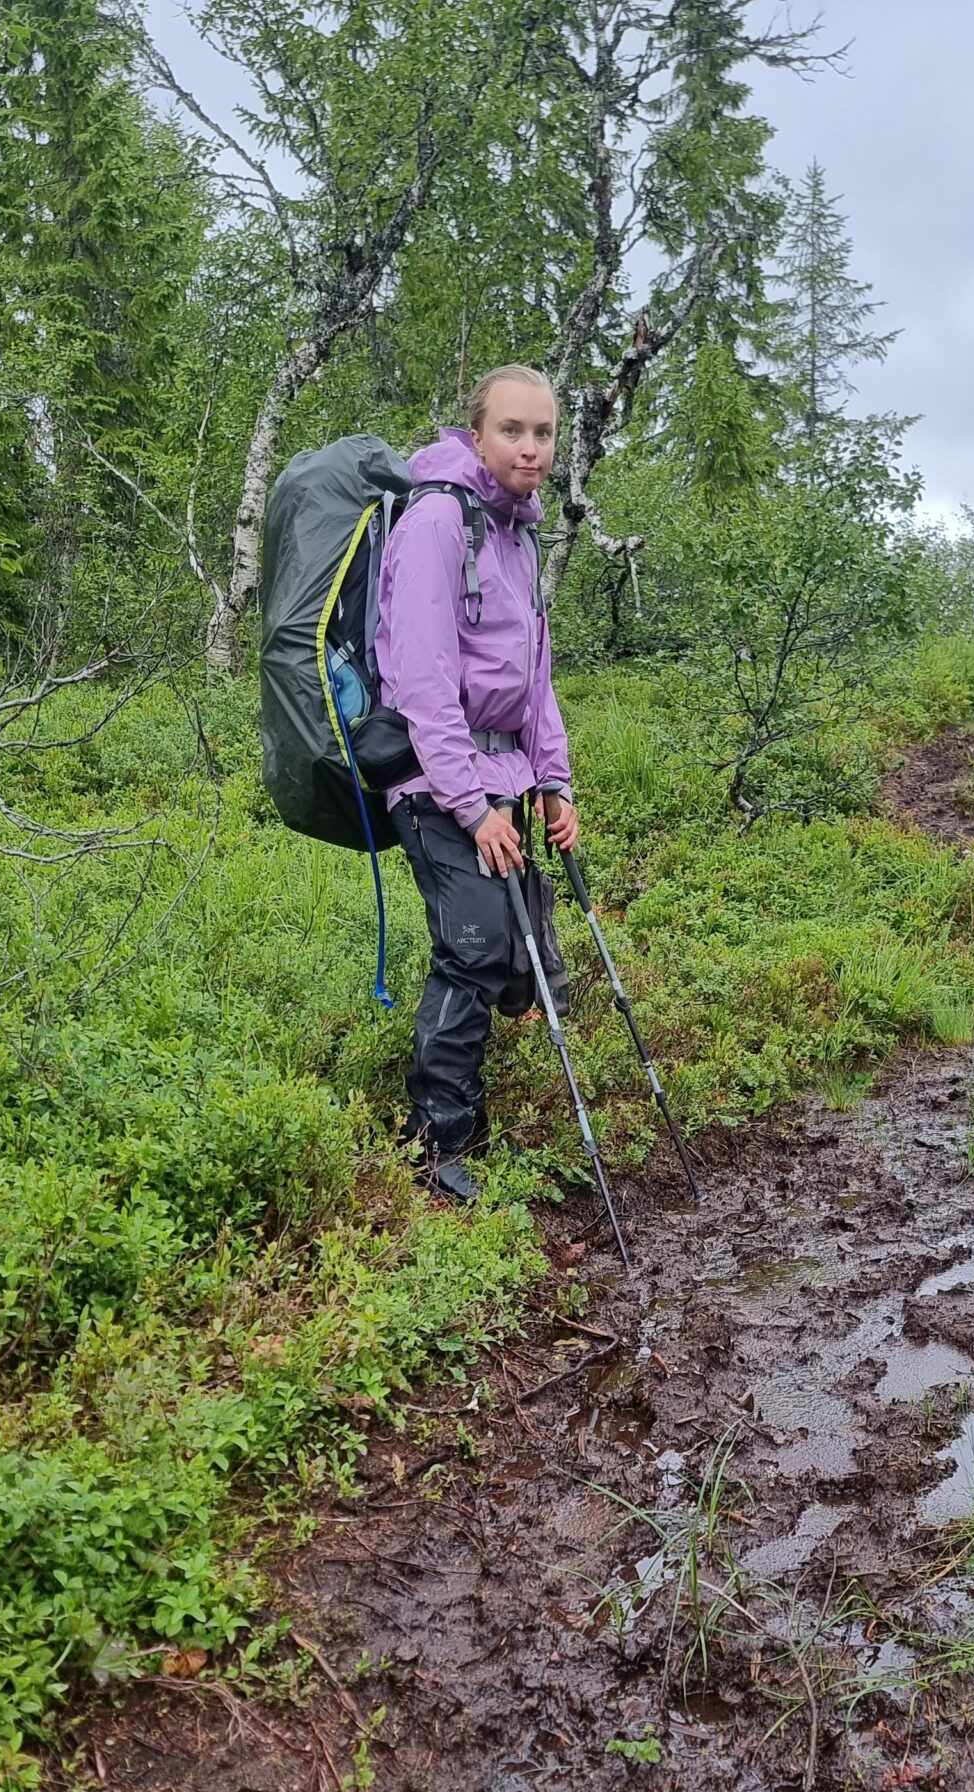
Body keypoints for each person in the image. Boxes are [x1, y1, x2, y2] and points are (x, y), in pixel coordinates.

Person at [374, 363, 580, 1203]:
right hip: (435, 778)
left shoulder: (519, 533)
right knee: (476, 949)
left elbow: (534, 671)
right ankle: (437, 1145)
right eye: (513, 431)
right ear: (475, 433)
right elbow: (421, 678)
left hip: (502, 769)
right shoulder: (434, 524)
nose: (531, 450)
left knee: (516, 942)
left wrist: (552, 780)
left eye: (544, 434)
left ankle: (470, 1118)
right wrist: (471, 803)